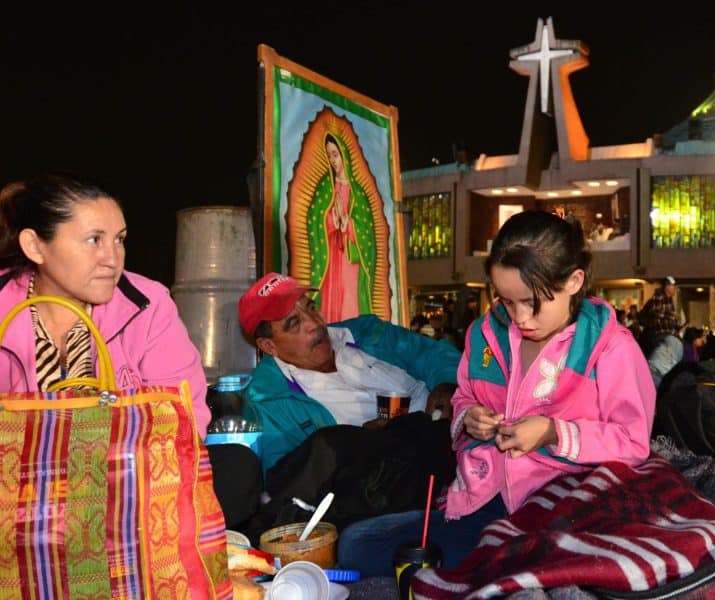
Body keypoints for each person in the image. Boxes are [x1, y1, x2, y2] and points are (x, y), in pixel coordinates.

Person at [337, 210, 655, 576]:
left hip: (566, 505)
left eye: (532, 303)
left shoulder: (610, 346)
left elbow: (632, 441)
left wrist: (553, 433)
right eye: (506, 300)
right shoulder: (484, 336)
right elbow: (463, 399)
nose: (519, 317)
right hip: (487, 497)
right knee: (356, 544)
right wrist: (469, 418)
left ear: (573, 281)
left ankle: (510, 564)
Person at [0, 174, 210, 435]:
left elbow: (182, 419)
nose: (112, 259)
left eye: (119, 239)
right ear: (34, 246)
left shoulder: (147, 306)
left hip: (124, 473)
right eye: (94, 240)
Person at [238, 272, 461, 472]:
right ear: (268, 346)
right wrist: (361, 444)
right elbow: (286, 480)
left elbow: (434, 354)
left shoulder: (367, 333)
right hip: (395, 489)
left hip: (458, 445)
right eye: (294, 323)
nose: (315, 324)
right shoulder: (267, 402)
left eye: (312, 308)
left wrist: (447, 383)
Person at [637, 276, 682, 356]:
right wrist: (671, 316)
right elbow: (658, 315)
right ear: (667, 287)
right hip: (659, 335)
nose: (675, 288)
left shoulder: (669, 299)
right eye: (673, 286)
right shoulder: (659, 297)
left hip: (664, 334)